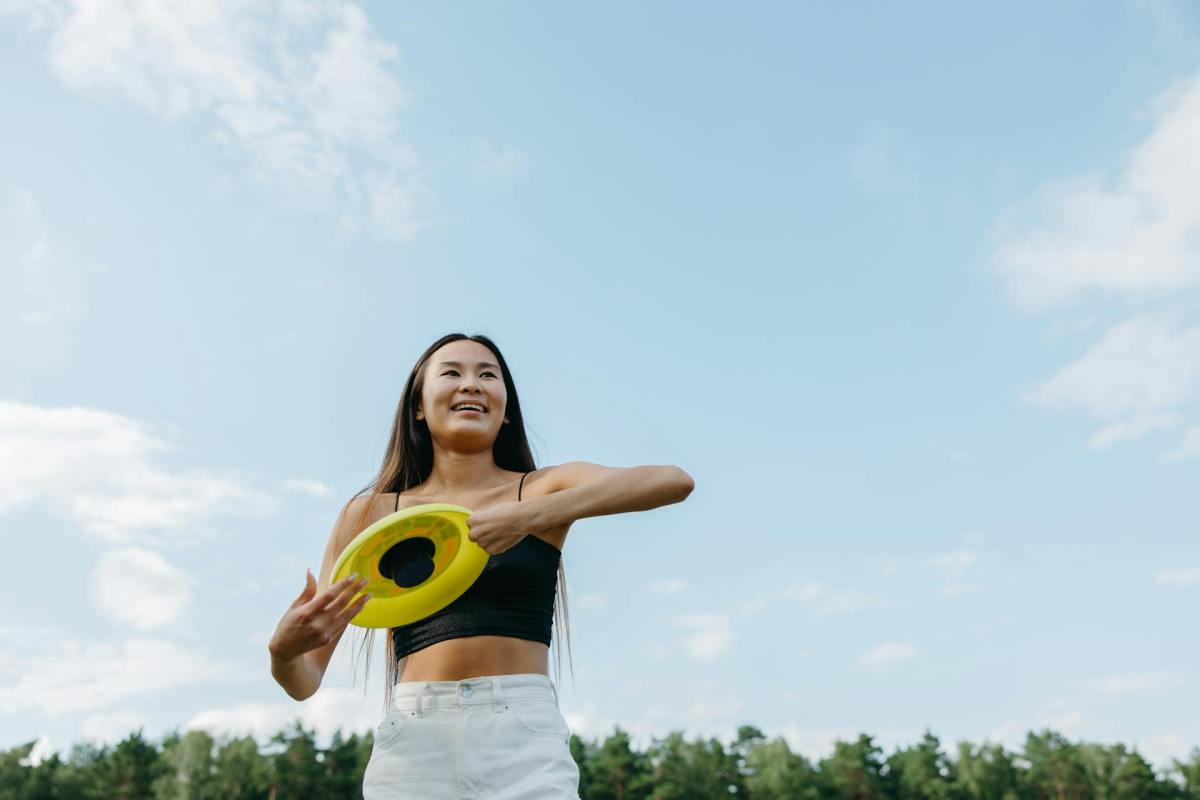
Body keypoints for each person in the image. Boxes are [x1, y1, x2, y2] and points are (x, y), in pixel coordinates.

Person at [267, 333, 695, 798]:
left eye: (487, 375)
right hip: (413, 743)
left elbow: (671, 481)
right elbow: (305, 681)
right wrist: (283, 653)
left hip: (524, 741)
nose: (471, 384)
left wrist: (531, 516)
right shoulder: (368, 515)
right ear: (418, 406)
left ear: (505, 409)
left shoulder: (541, 490)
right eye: (451, 372)